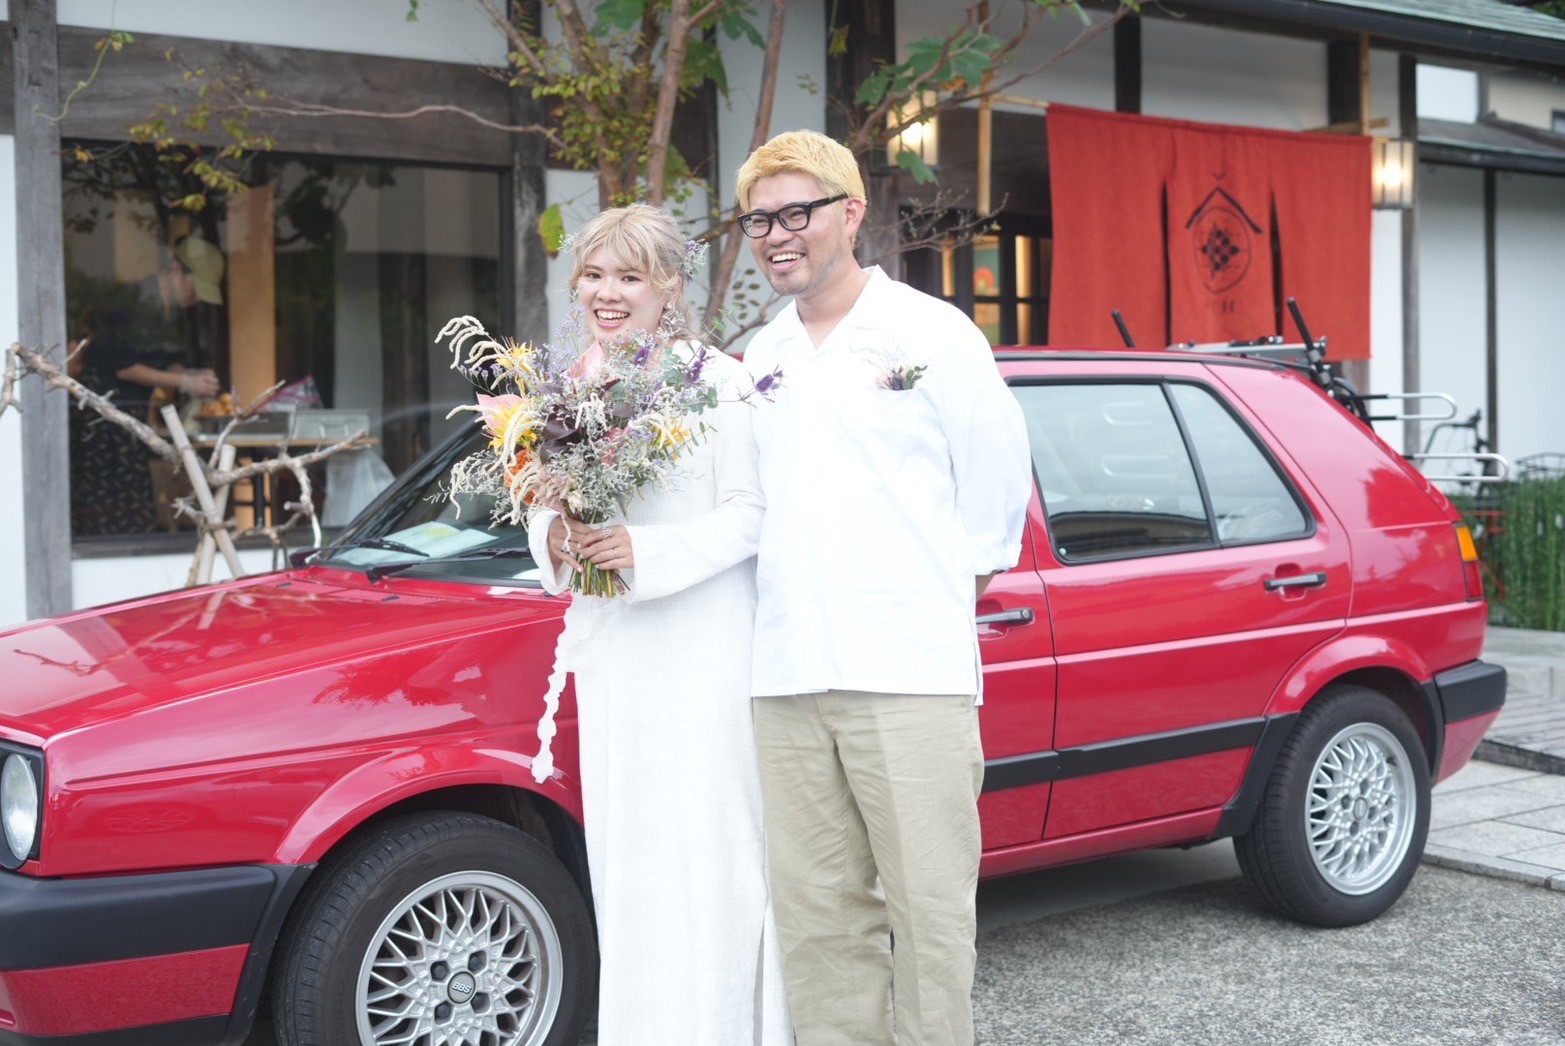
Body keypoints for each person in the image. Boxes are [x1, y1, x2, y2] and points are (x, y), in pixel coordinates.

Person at [734, 130, 1033, 1045]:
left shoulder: (930, 332)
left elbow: (995, 490)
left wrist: (920, 594)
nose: (777, 235)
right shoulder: (761, 354)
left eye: (797, 212)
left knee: (929, 917)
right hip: (786, 674)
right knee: (818, 921)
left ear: (851, 213)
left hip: (907, 675)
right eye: (759, 221)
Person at [524, 203, 792, 1045]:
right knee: (630, 857)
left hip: (702, 650)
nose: (607, 293)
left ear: (670, 287)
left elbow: (753, 511)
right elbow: (547, 502)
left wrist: (646, 550)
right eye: (594, 275)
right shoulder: (574, 385)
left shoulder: (721, 383)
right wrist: (553, 533)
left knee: (710, 853)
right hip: (616, 656)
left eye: (629, 276)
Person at [68, 304, 221, 535]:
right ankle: (109, 538)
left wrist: (188, 375)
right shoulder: (104, 344)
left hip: (128, 430)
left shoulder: (142, 341)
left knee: (131, 495)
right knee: (106, 495)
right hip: (106, 432)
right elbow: (127, 369)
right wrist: (186, 382)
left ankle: (132, 536)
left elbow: (162, 361)